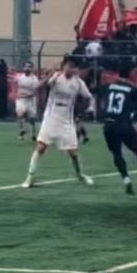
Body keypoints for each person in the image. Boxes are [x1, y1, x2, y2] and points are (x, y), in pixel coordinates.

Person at [21, 57, 95, 188]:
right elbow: (39, 86)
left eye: (72, 67)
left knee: (73, 153)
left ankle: (80, 175)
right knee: (41, 147)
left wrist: (91, 107)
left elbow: (90, 97)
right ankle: (29, 177)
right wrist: (48, 77)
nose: (70, 69)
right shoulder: (56, 77)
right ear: (63, 66)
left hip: (66, 121)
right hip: (51, 118)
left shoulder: (78, 83)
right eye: (68, 66)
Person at [100, 64, 137, 195]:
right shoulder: (131, 89)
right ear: (131, 74)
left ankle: (126, 179)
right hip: (123, 125)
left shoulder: (109, 86)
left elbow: (101, 96)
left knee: (116, 153)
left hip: (108, 125)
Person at [15, 61, 40, 141]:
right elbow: (16, 86)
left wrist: (24, 95)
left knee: (32, 119)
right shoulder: (19, 77)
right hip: (21, 100)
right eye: (26, 66)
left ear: (32, 68)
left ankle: (33, 134)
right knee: (20, 114)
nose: (27, 68)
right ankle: (22, 131)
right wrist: (17, 94)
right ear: (23, 68)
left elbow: (34, 92)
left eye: (29, 67)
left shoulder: (34, 79)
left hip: (30, 100)